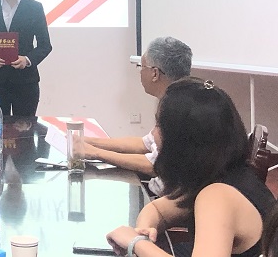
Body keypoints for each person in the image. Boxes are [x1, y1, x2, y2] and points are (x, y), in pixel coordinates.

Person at [106, 78, 276, 257]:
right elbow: (157, 210)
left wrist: (136, 243)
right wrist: (145, 230)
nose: (153, 134)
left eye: (159, 126)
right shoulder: (223, 173)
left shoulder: (217, 197)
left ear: (181, 142)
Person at [84, 36, 192, 194]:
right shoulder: (176, 99)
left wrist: (95, 153)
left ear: (155, 73)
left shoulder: (179, 109)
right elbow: (145, 144)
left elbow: (154, 164)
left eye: (142, 67)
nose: (140, 72)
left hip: (168, 198)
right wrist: (88, 141)